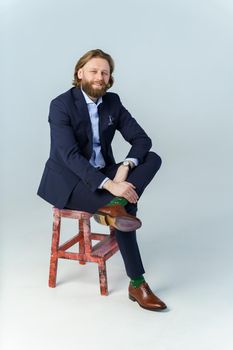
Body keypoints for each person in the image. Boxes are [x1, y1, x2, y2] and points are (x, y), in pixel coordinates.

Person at [37, 49, 167, 311]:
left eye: (105, 73)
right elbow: (70, 156)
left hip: (105, 172)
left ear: (110, 79)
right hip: (69, 182)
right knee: (125, 210)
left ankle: (116, 204)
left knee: (151, 158)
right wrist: (110, 185)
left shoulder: (113, 102)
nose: (99, 77)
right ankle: (137, 282)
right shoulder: (61, 105)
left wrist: (124, 168)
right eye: (94, 71)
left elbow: (142, 140)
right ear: (80, 73)